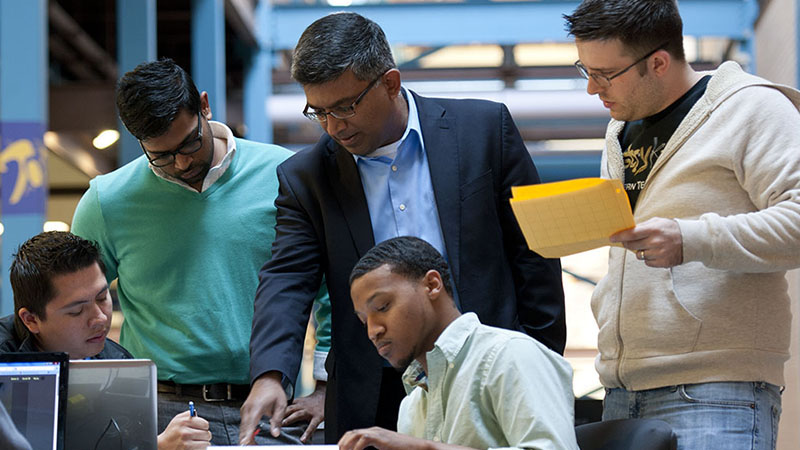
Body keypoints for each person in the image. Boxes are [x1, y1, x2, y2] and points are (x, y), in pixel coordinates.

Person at [241, 11, 566, 445]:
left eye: (345, 107)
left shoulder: (483, 131)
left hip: (485, 365)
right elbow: (287, 279)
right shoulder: (307, 177)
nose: (333, 126)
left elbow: (534, 250)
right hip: (370, 388)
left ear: (390, 83)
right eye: (318, 112)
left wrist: (536, 354)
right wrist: (269, 375)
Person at [564, 1, 800, 448]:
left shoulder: (750, 108)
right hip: (622, 390)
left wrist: (692, 238)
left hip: (717, 389)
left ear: (658, 62)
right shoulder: (619, 132)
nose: (592, 89)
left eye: (605, 74)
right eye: (585, 70)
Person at [70, 58, 330, 446]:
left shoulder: (284, 173)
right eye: (161, 155)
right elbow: (71, 303)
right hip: (161, 411)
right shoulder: (107, 201)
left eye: (190, 142)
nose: (182, 162)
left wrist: (327, 386)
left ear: (204, 107)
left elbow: (331, 285)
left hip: (272, 404)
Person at [339, 236, 578, 450]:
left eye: (382, 307)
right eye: (363, 321)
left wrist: (425, 448)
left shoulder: (511, 354)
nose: (373, 331)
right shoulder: (412, 403)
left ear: (432, 285)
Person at [0, 231, 211, 449]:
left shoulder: (119, 363)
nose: (100, 318)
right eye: (77, 311)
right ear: (31, 320)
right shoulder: (4, 361)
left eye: (102, 298)